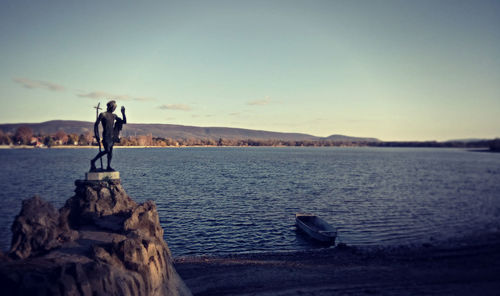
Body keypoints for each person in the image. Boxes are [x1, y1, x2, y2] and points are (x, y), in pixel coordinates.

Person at [90, 100, 126, 172]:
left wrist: (123, 113)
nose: (114, 109)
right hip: (106, 136)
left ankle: (108, 166)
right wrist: (97, 135)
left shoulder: (114, 116)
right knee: (107, 150)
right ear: (110, 107)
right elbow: (96, 125)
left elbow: (124, 122)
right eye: (114, 107)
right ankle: (93, 161)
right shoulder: (103, 114)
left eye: (115, 108)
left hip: (112, 136)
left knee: (110, 152)